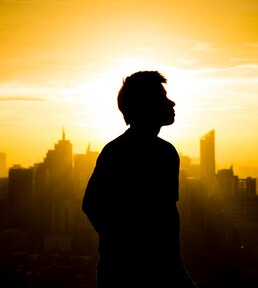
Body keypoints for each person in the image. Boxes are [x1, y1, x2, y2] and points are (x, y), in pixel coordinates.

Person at [82, 71, 196, 288]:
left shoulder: (162, 152)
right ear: (146, 106)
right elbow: (91, 205)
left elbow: (166, 216)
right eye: (162, 97)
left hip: (150, 270)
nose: (171, 103)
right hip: (130, 274)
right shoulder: (122, 153)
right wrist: (128, 248)